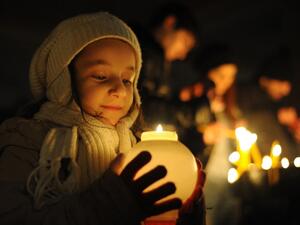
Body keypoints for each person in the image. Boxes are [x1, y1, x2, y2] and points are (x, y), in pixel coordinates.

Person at [0, 12, 206, 225]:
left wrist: (184, 211)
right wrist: (112, 201)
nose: (120, 90)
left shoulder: (135, 147)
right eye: (100, 76)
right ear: (63, 80)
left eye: (127, 79)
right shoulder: (30, 140)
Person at [131, 2, 199, 131]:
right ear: (170, 22)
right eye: (185, 42)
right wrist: (185, 113)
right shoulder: (142, 51)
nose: (183, 55)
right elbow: (141, 104)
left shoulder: (159, 58)